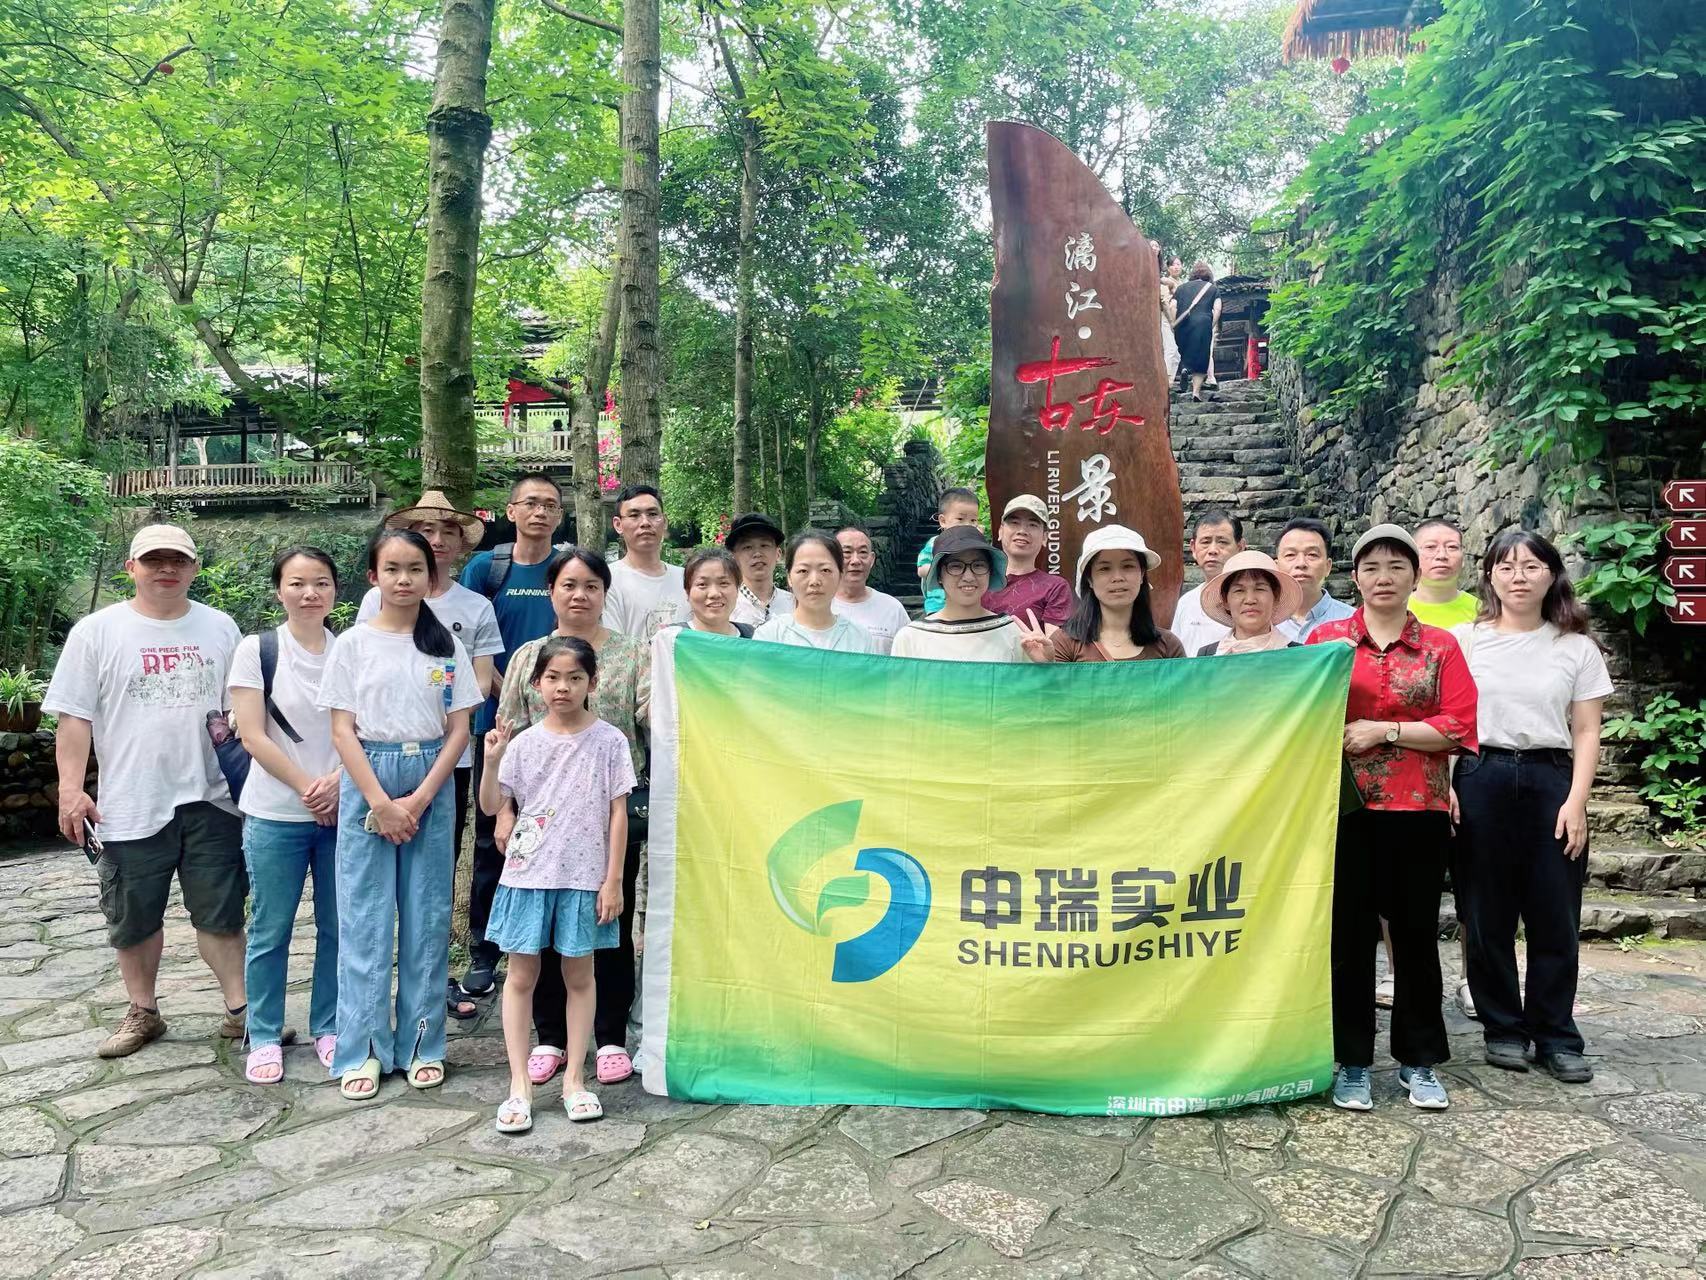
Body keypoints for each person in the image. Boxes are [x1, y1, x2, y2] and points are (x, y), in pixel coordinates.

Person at [44, 524, 248, 1060]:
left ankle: (240, 1011)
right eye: (154, 560)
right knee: (133, 916)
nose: (167, 569)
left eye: (178, 560)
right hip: (131, 799)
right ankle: (143, 1010)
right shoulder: (96, 632)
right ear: (131, 567)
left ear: (194, 568)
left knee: (222, 911)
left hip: (212, 796)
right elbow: (74, 718)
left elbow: (242, 711)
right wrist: (71, 791)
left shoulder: (220, 627)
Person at [1309, 524, 1477, 1113]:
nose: (1384, 578)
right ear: (1355, 577)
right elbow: (1300, 712)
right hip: (1343, 810)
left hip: (1418, 809)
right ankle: (1351, 1060)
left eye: (1396, 567)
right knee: (1348, 939)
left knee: (1414, 938)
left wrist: (1385, 731)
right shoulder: (1326, 641)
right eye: (1372, 567)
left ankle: (1418, 1060)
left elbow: (1458, 725)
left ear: (1414, 576)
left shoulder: (1440, 646)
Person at [317, 529, 481, 1100]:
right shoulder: (353, 645)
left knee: (426, 917)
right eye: (392, 569)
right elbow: (342, 730)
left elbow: (459, 730)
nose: (404, 579)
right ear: (373, 577)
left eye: (415, 569)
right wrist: (381, 803)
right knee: (364, 918)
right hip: (369, 778)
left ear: (430, 577)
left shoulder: (445, 646)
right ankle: (362, 1047)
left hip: (431, 779)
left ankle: (422, 1044)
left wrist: (418, 799)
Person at [1452, 530, 1611, 1084]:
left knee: (1555, 913)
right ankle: (1502, 1028)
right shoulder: (1465, 641)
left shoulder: (1576, 647)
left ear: (1551, 574)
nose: (1518, 576)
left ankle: (1556, 1034)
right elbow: (1451, 719)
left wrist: (1577, 801)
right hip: (1480, 774)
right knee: (1485, 913)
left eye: (1531, 566)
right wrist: (1448, 784)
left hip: (1551, 779)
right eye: (1506, 566)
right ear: (1489, 576)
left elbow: (1587, 730)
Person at [495, 547, 649, 1092]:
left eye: (591, 586)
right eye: (568, 585)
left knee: (608, 924)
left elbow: (654, 718)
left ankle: (609, 1038)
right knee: (538, 934)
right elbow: (507, 734)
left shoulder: (634, 654)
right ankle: (549, 1038)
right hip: (537, 828)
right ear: (552, 591)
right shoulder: (528, 657)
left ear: (605, 593)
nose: (579, 595)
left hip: (608, 818)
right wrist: (505, 811)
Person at [357, 490, 501, 1021]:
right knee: (372, 885)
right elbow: (364, 683)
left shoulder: (474, 607)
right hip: (376, 759)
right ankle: (372, 993)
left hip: (448, 759)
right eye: (426, 531)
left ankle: (432, 984)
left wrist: (440, 719)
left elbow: (480, 682)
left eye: (447, 532)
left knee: (432, 880)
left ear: (461, 544)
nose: (437, 540)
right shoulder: (375, 603)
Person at [482, 637, 634, 1131]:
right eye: (552, 678)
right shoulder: (523, 743)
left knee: (580, 976)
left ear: (593, 682)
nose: (563, 687)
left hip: (584, 877)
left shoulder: (610, 741)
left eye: (574, 678)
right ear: (536, 683)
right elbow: (491, 805)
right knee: (520, 976)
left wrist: (613, 879)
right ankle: (519, 1086)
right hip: (527, 875)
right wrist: (492, 759)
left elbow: (618, 814)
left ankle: (574, 1080)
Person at [230, 547, 343, 1084]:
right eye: (297, 583)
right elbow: (252, 735)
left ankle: (330, 1026)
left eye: (321, 582)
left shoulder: (350, 651)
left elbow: (363, 729)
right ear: (279, 590)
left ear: (335, 591)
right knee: (270, 929)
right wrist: (307, 788)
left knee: (338, 927)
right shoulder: (257, 650)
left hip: (341, 812)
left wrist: (338, 784)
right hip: (275, 813)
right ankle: (264, 1034)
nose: (309, 593)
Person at [457, 474, 564, 1000]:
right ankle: (484, 949)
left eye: (550, 505)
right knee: (491, 838)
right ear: (511, 510)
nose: (540, 512)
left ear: (560, 515)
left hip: (561, 729)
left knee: (555, 835)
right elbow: (470, 643)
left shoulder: (567, 568)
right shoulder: (487, 569)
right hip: (498, 725)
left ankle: (548, 945)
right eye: (531, 503)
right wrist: (516, 695)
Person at [893, 525, 1052, 662]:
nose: (968, 577)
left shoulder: (1011, 633)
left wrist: (1045, 665)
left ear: (990, 572)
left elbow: (1030, 687)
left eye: (978, 565)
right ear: (939, 575)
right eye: (955, 566)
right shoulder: (911, 638)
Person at [1051, 525, 1186, 662]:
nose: (1117, 577)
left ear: (1142, 575)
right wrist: (1045, 664)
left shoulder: (1169, 646)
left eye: (1128, 566)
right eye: (1105, 568)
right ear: (1089, 579)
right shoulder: (1064, 644)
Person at [754, 532, 875, 652]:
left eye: (825, 570)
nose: (814, 581)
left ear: (840, 575)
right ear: (789, 577)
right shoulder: (769, 637)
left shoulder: (860, 638)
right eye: (803, 571)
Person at [604, 484, 688, 637]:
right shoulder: (607, 580)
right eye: (634, 515)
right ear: (618, 524)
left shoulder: (686, 579)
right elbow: (613, 643)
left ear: (665, 521)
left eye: (653, 514)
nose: (645, 522)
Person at [983, 494, 1074, 626]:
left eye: (1032, 524)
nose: (1022, 531)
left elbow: (1053, 637)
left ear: (1044, 537)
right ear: (1000, 531)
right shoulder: (979, 579)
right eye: (1014, 523)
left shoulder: (1054, 587)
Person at [1194, 549, 1301, 656]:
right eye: (1239, 590)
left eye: (1260, 589)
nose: (1250, 600)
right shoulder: (1208, 656)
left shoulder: (1300, 656)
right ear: (1225, 600)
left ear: (1276, 597)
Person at [1170, 511, 1246, 657]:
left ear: (1240, 547)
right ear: (1193, 548)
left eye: (1222, 542)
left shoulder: (1251, 601)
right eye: (1205, 542)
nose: (1213, 550)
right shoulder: (1186, 602)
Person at [831, 526, 911, 654]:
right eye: (847, 552)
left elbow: (908, 656)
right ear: (832, 558)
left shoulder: (892, 608)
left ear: (872, 559)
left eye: (863, 552)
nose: (855, 560)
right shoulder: (817, 606)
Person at [1275, 517, 1355, 643]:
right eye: (1290, 555)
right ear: (1276, 567)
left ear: (1328, 567)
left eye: (1312, 555)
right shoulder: (1261, 623)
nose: (1301, 563)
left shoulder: (1352, 621)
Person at [915, 488, 982, 616]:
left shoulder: (976, 546)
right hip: (938, 606)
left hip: (968, 605)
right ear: (943, 521)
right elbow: (922, 570)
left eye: (973, 520)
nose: (968, 525)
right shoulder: (935, 543)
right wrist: (946, 569)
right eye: (960, 519)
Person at [726, 512, 795, 628]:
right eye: (747, 547)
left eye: (764, 545)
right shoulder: (725, 606)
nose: (757, 553)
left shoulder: (795, 604)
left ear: (778, 554)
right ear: (734, 557)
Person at [1410, 518, 1479, 628]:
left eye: (1452, 547)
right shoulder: (1395, 611)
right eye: (1430, 547)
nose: (1442, 555)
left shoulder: (1482, 613)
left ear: (1463, 558)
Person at [1172, 261, 1221, 401]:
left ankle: (1185, 368)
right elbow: (1217, 309)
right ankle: (1195, 393)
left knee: (1185, 351)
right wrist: (1211, 324)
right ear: (1208, 275)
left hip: (1183, 324)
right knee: (1201, 358)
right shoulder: (1213, 289)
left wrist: (1174, 323)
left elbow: (1172, 306)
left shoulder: (1181, 288)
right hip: (1203, 323)